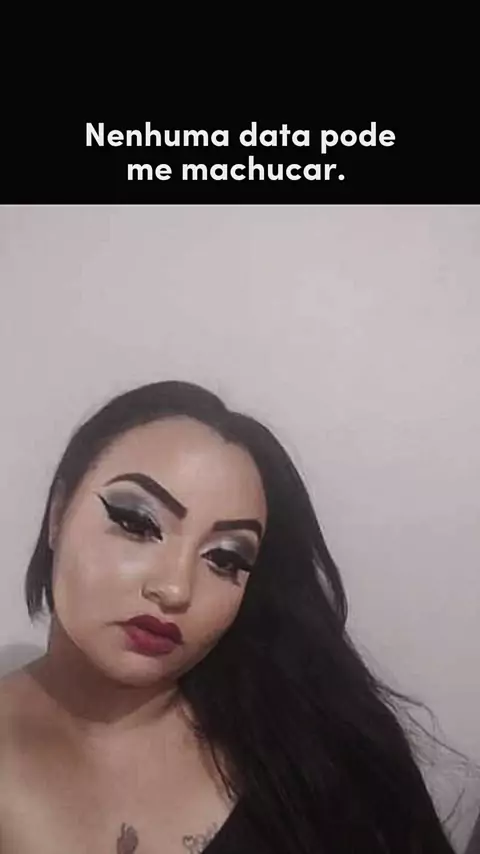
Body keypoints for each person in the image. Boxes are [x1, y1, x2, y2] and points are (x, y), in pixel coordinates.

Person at [0, 380, 456, 853]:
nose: (175, 589)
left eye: (224, 558)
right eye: (137, 523)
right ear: (58, 514)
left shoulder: (313, 745)